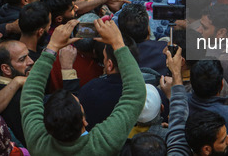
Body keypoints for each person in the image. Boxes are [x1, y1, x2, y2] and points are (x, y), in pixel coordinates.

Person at [20, 18, 146, 154]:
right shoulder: (100, 145)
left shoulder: (38, 143)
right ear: (85, 121)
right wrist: (118, 43)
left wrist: (53, 46)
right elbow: (135, 94)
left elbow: (31, 94)